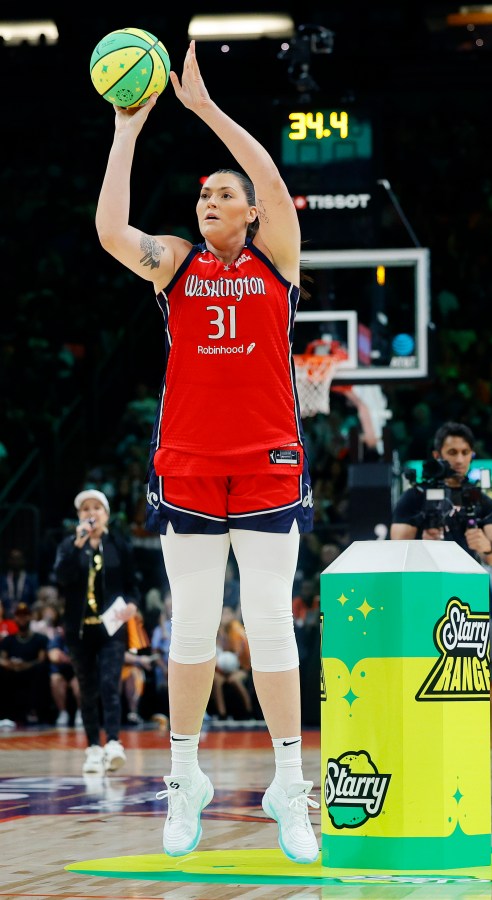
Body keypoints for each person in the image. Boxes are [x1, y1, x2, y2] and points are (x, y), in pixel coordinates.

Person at [95, 41, 318, 863]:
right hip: (187, 462)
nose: (210, 202)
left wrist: (205, 110)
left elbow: (262, 173)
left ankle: (290, 787)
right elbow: (112, 229)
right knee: (189, 626)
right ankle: (185, 776)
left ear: (254, 209)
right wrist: (129, 128)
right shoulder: (177, 267)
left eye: (224, 194)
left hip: (266, 461)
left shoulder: (277, 258)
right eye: (203, 195)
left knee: (269, 623)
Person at [391, 421, 492, 797]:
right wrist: (421, 533)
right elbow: (395, 546)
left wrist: (485, 546)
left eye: (465, 452)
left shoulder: (482, 502)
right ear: (437, 455)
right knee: (417, 690)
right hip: (420, 603)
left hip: (468, 605)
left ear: (472, 455)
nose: (459, 459)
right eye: (451, 452)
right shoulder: (415, 497)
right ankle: (412, 769)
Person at [53, 489, 139, 774]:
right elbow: (61, 578)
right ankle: (92, 747)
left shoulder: (119, 545)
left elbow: (133, 584)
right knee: (86, 689)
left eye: (97, 508)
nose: (91, 513)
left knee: (108, 684)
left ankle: (113, 743)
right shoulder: (69, 545)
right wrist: (78, 545)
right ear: (79, 516)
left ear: (106, 514)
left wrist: (132, 605)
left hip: (111, 629)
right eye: (85, 509)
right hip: (79, 631)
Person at [0, 602, 51, 725]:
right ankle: (5, 715)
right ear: (15, 618)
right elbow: (2, 658)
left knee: (41, 669)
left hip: (32, 673)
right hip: (12, 673)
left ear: (30, 617)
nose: (22, 618)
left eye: (25, 615)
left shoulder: (40, 638)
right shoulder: (9, 640)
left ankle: (35, 712)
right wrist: (11, 665)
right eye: (19, 615)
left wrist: (25, 666)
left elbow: (41, 659)